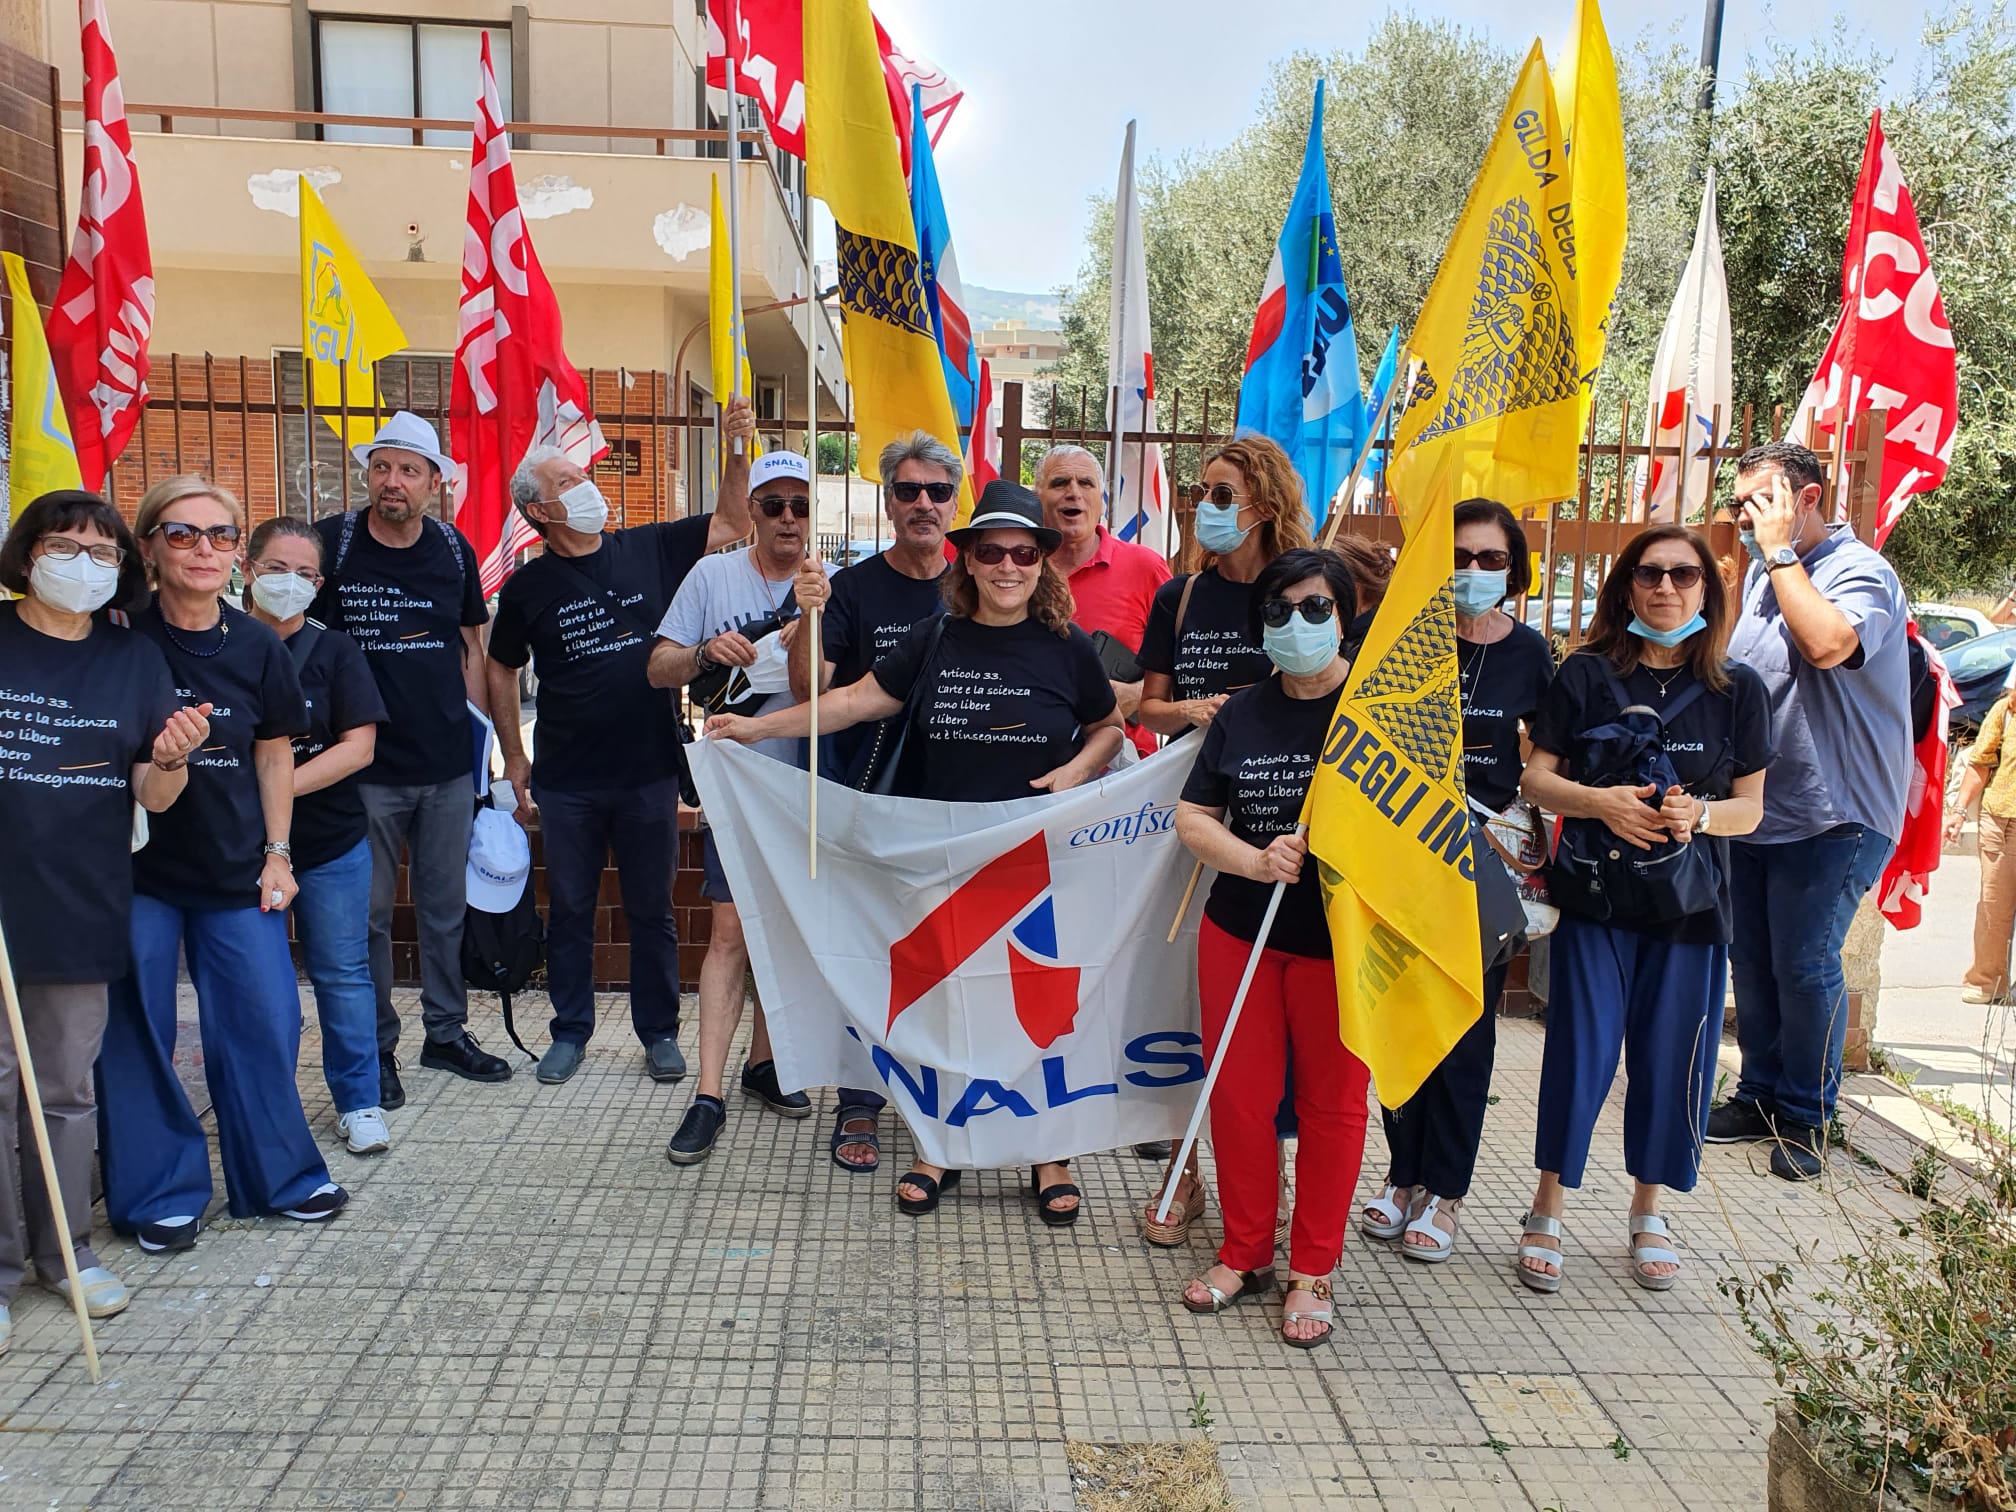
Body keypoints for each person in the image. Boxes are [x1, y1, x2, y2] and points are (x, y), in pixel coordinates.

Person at [708, 479, 1124, 1223]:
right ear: (969, 561)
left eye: (1023, 553)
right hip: (943, 858)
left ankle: (1048, 1154)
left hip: (1031, 858)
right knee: (950, 1007)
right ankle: (941, 1145)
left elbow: (1108, 728)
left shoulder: (1066, 647)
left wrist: (1077, 769)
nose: (1007, 567)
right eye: (991, 552)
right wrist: (755, 729)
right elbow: (853, 701)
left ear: (1042, 562)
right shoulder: (935, 637)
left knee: (1037, 1005)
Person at [1515, 525, 1772, 1292]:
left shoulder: (1738, 689)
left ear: (1706, 590)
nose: (1665, 588)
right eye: (1650, 573)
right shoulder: (1587, 673)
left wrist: (1702, 815)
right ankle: (1547, 1207)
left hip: (1691, 908)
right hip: (1595, 900)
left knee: (1673, 1060)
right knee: (1580, 1052)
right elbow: (1536, 780)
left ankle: (1648, 1210)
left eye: (1683, 575)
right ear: (1626, 584)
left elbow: (1752, 809)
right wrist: (1602, 802)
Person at [98, 477, 349, 1256]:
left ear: (238, 551)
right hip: (134, 872)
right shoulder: (116, 635)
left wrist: (279, 853)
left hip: (235, 866)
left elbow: (273, 754)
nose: (202, 548)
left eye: (220, 534)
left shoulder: (256, 645)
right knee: (136, 1032)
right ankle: (159, 1192)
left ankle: (279, 1178)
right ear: (148, 547)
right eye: (181, 533)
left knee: (266, 1021)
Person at [487, 399, 756, 1087]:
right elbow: (500, 666)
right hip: (567, 777)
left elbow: (734, 521)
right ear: (539, 511)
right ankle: (570, 1031)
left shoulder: (649, 547)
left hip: (647, 768)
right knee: (571, 910)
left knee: (652, 911)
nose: (587, 487)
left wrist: (737, 448)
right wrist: (513, 754)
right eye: (568, 482)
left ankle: (659, 1032)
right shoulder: (527, 588)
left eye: (582, 477)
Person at [0, 492, 207, 1333]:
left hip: (78, 897)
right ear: (27, 554)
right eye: (63, 547)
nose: (81, 565)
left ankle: (67, 1254)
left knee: (62, 1088)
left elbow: (152, 793)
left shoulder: (132, 658)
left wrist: (173, 758)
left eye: (101, 552)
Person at [1172, 547, 1369, 1348]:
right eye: (1280, 611)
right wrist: (1254, 861)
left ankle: (1313, 1267)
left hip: (1342, 947)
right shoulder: (1243, 712)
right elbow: (1194, 819)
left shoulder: (1377, 712)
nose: (1297, 623)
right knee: (1240, 1100)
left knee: (1333, 1107)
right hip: (1241, 933)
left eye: (1316, 608)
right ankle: (1245, 1250)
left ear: (1345, 616)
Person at [1706, 441, 1910, 1182]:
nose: (1745, 517)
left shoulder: (1861, 571)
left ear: (1809, 497)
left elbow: (1828, 645)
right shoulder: (1768, 576)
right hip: (1763, 809)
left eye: (1760, 502)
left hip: (1837, 813)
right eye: (1739, 504)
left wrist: (1779, 555)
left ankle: (1806, 1117)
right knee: (1753, 960)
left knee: (1803, 962)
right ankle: (1758, 1096)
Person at [1362, 500, 1553, 1261]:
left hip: (1482, 867)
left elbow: (1546, 759)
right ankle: (1401, 1173)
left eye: (1490, 560)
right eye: (1459, 558)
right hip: (1403, 854)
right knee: (1403, 1021)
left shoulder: (1530, 652)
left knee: (1466, 1031)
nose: (1473, 572)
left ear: (1514, 570)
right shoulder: (1400, 637)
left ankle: (1446, 1190)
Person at [1136, 435, 1314, 1242]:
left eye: (1218, 494)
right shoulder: (1180, 597)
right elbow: (1150, 707)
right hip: (1192, 810)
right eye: (1198, 491)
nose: (1201, 506)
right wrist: (1196, 711)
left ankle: (1268, 1173)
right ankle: (1186, 1170)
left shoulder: (1302, 594)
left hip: (1277, 818)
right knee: (1187, 993)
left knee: (1263, 1010)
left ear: (1263, 506)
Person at [311, 411, 508, 1104]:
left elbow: (472, 649)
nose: (391, 481)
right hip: (361, 767)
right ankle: (377, 1048)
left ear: (434, 483)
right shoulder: (332, 543)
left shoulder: (453, 549)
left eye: (407, 470)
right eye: (382, 468)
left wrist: (482, 746)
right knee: (367, 916)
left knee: (444, 909)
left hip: (446, 765)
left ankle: (446, 1033)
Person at [649, 450, 833, 1163]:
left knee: (785, 929)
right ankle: (707, 1093)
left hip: (808, 782)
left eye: (800, 505)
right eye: (773, 504)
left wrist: (812, 624)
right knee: (729, 930)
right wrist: (704, 653)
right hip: (736, 781)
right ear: (751, 509)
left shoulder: (829, 583)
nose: (788, 518)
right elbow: (657, 667)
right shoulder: (711, 575)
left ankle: (764, 1064)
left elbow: (827, 689)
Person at [784, 430, 960, 1172]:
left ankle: (943, 1103)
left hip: (955, 811)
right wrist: (810, 616)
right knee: (870, 959)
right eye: (908, 490)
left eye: (937, 492)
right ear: (888, 502)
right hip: (869, 804)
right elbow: (810, 691)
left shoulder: (979, 581)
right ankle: (860, 1100)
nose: (923, 504)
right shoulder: (851, 589)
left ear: (954, 504)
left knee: (950, 961)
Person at [243, 516, 391, 1156]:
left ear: (320, 584)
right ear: (247, 569)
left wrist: (274, 792)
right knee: (260, 985)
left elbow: (359, 747)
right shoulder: (219, 644)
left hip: (331, 844)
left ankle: (360, 1102)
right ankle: (265, 1111)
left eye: (305, 573)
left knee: (343, 975)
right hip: (239, 850)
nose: (290, 582)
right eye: (277, 568)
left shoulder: (336, 651)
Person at [1037, 444, 1172, 759]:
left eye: (1086, 483)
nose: (1074, 493)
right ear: (1037, 496)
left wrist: (1137, 694)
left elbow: (1185, 667)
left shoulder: (1145, 568)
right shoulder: (1016, 569)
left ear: (1102, 499)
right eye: (1060, 483)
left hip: (1125, 767)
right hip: (1036, 761)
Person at [1947, 688, 2016, 1003]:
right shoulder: (2006, 711)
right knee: (1994, 903)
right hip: (2002, 821)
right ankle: (1987, 981)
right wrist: (1958, 812)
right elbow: (1980, 764)